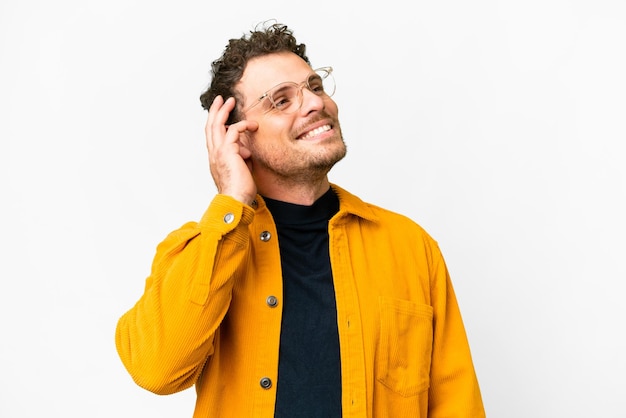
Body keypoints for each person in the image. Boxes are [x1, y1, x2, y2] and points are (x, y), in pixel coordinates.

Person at [115, 22, 486, 418]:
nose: (314, 103)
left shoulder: (410, 246)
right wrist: (231, 201)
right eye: (281, 100)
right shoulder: (201, 250)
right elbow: (157, 371)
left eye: (314, 86)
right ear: (236, 135)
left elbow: (456, 402)